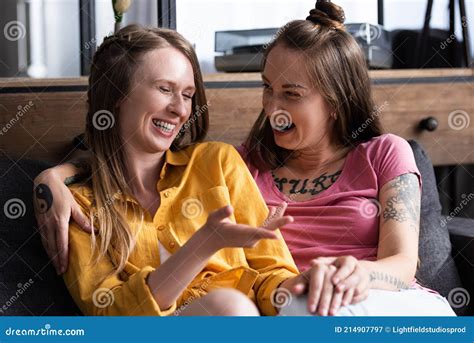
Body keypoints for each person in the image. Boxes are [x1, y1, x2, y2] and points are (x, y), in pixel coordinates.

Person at [34, 2, 455, 316]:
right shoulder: (243, 162)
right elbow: (120, 156)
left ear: (336, 102)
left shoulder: (382, 153)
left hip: (368, 299)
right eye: (267, 88)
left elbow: (398, 263)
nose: (272, 107)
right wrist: (54, 177)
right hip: (292, 311)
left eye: (291, 94)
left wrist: (351, 276)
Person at [34, 24, 302, 316]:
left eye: (187, 95)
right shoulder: (79, 206)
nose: (180, 110)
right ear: (115, 95)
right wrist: (205, 243)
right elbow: (111, 316)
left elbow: (272, 274)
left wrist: (305, 289)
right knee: (229, 307)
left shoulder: (218, 162)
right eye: (165, 89)